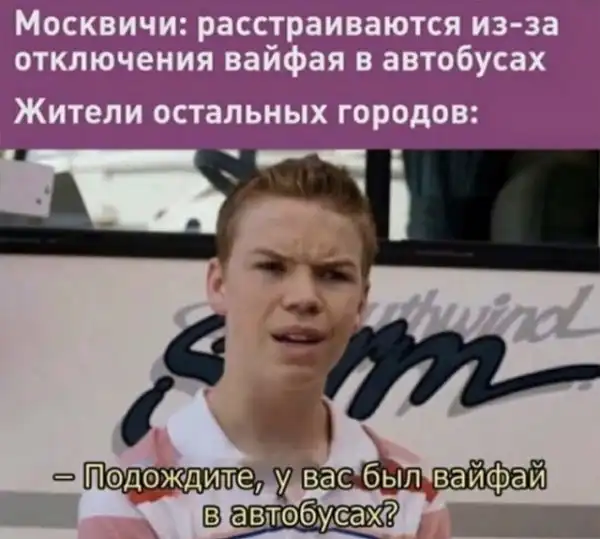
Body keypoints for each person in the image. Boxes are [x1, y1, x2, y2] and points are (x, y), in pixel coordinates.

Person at [77, 155, 452, 539]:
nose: (304, 297)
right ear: (219, 284)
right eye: (272, 267)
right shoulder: (129, 499)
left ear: (361, 302)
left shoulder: (412, 492)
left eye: (333, 275)